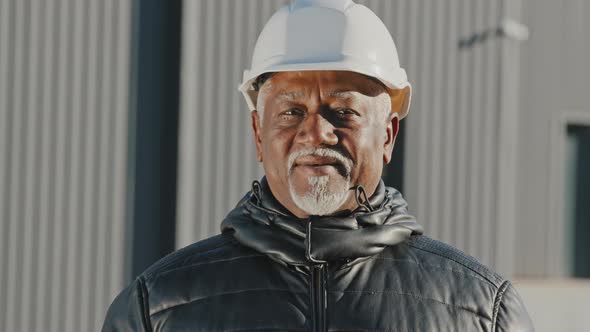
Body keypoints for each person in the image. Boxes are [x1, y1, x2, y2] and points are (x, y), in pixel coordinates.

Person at [103, 0, 534, 331]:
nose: (317, 133)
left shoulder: (481, 311)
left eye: (343, 112)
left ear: (387, 135)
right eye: (291, 112)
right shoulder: (157, 308)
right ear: (258, 133)